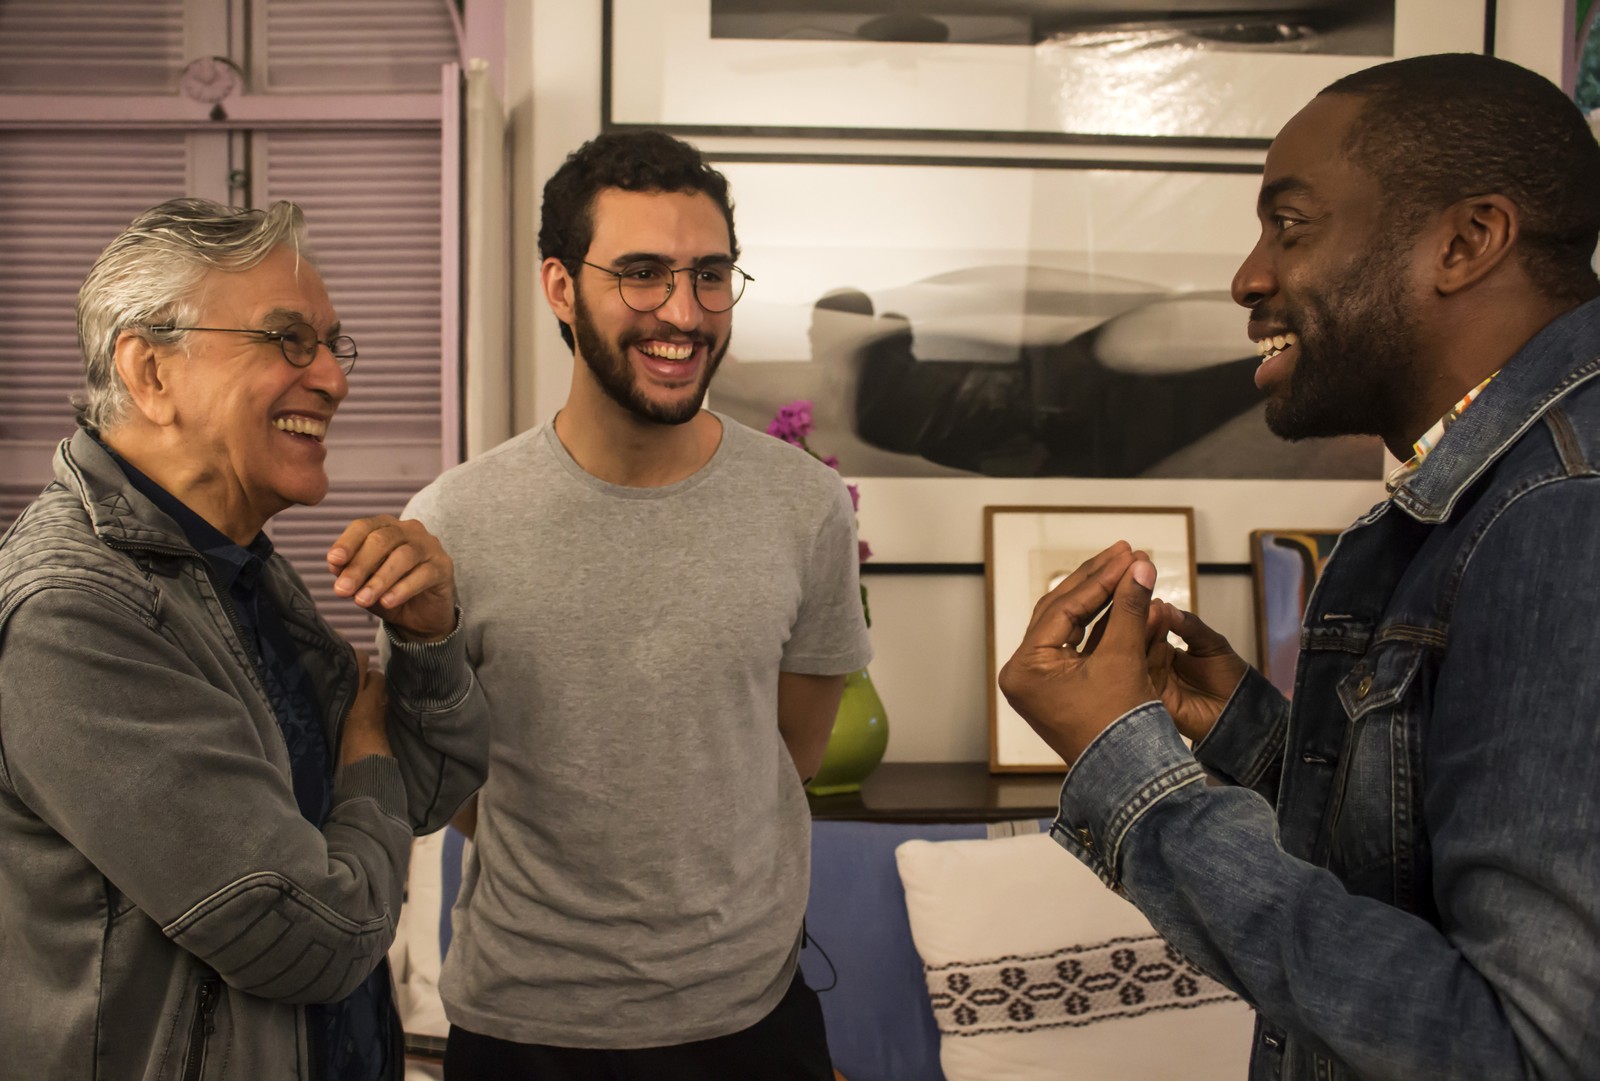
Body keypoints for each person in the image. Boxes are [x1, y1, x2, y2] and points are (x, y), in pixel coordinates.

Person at [997, 53, 1600, 1080]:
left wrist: (1127, 768)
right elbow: (1421, 880)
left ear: (1465, 241)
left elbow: (1519, 1053)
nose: (1247, 276)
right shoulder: (1493, 494)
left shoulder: (1559, 514)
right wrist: (1243, 737)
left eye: (1290, 223)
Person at [396, 131, 872, 1079]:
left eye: (709, 275)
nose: (684, 313)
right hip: (526, 1030)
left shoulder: (803, 503)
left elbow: (795, 748)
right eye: (644, 274)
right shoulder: (454, 520)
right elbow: (451, 783)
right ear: (562, 288)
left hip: (754, 1019)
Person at [0, 198, 489, 1081]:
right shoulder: (73, 614)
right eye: (287, 340)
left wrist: (426, 644)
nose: (334, 380)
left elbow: (423, 797)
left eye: (332, 346)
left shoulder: (234, 565)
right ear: (150, 370)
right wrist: (369, 736)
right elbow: (318, 938)